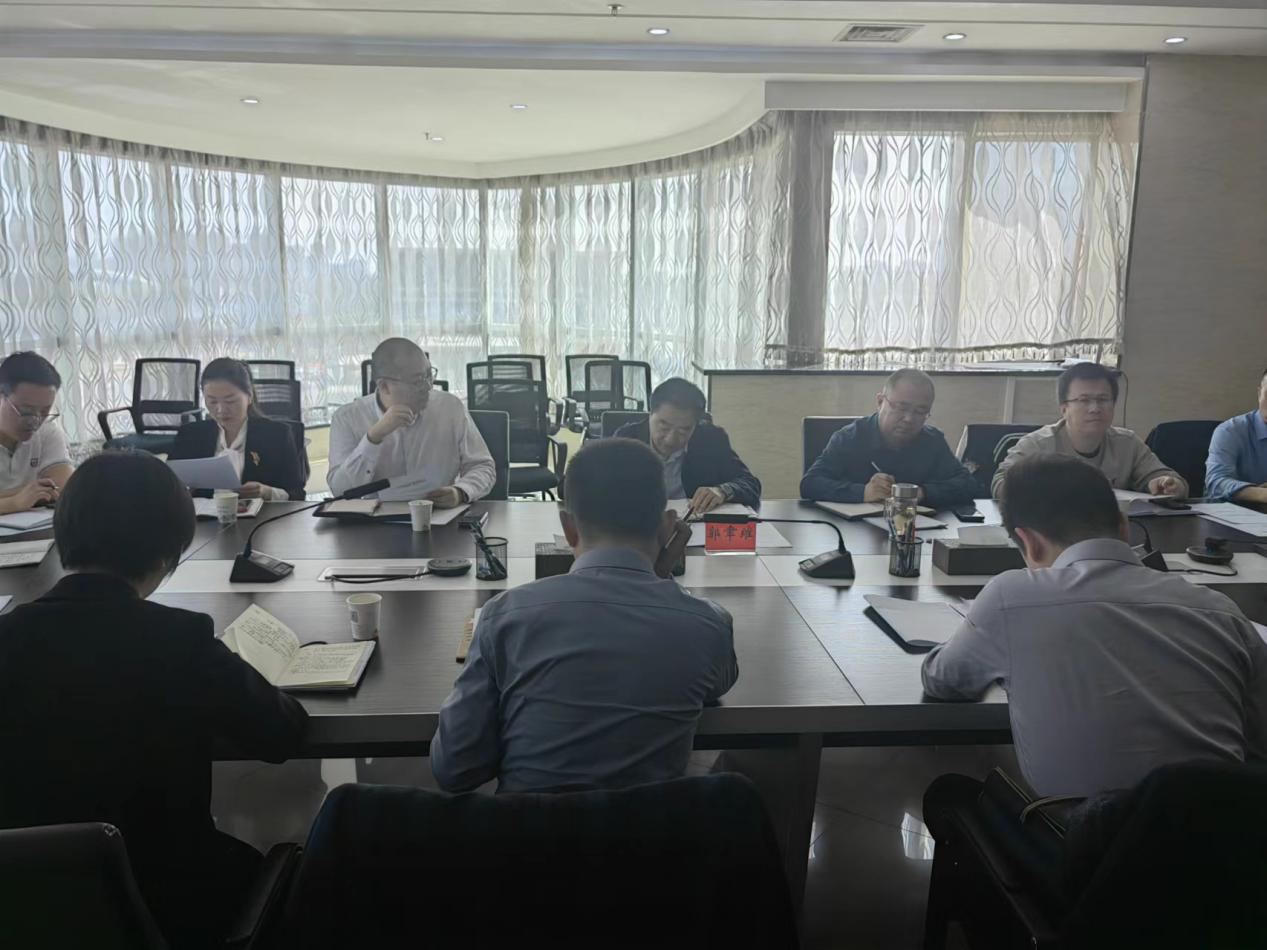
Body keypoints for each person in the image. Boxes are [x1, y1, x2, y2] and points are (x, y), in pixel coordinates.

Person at [0, 451, 308, 949]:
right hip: (174, 909)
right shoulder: (177, 639)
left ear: (65, 535)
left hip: (25, 909)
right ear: (168, 554)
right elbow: (282, 733)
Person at [922, 454, 1267, 800]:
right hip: (1225, 827)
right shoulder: (1223, 611)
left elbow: (943, 680)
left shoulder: (1010, 596)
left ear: (1030, 543)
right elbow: (1259, 740)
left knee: (958, 784)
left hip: (1081, 831)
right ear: (1123, 526)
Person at [430, 438, 738, 793]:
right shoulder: (707, 625)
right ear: (670, 526)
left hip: (527, 826)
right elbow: (718, 684)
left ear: (568, 527)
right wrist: (660, 576)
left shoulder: (504, 617)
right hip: (652, 828)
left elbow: (455, 769)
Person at [328, 338, 494, 505]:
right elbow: (340, 490)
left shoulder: (449, 407)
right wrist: (373, 438)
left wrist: (461, 491)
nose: (428, 387)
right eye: (417, 380)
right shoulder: (347, 418)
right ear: (384, 386)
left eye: (429, 376)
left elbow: (482, 466)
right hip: (376, 516)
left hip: (439, 513)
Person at [992, 362, 1185, 500]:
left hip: (1112, 533)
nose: (1095, 408)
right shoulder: (1038, 444)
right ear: (1064, 409)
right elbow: (1000, 484)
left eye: (1103, 400)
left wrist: (1168, 485)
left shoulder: (1127, 443)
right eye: (1084, 400)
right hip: (1054, 531)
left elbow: (1171, 481)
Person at [799, 368, 976, 507]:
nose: (909, 418)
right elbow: (810, 484)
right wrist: (863, 492)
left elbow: (968, 485)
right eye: (901, 407)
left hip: (916, 532)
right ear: (880, 402)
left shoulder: (932, 441)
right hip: (856, 534)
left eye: (920, 411)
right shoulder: (850, 438)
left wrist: (922, 493)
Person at [611, 377, 761, 514]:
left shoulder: (711, 439)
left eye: (683, 430)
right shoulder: (627, 439)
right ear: (650, 413)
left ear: (696, 424)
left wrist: (722, 491)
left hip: (694, 525)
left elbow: (750, 484)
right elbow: (603, 490)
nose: (670, 439)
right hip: (639, 527)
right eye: (664, 426)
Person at [167, 357, 306, 501]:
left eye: (230, 401)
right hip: (203, 515)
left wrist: (267, 492)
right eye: (212, 401)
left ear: (249, 396)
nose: (221, 410)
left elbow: (297, 495)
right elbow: (169, 486)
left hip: (261, 514)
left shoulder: (277, 435)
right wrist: (183, 491)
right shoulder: (190, 435)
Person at [0, 351, 72, 514]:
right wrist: (14, 502)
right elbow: (49, 490)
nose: (35, 420)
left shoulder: (47, 432)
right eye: (26, 411)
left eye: (45, 411)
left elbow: (65, 487)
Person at [1205, 369, 1267, 504]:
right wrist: (1261, 494)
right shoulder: (1230, 431)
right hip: (1236, 512)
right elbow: (1216, 483)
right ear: (1259, 394)